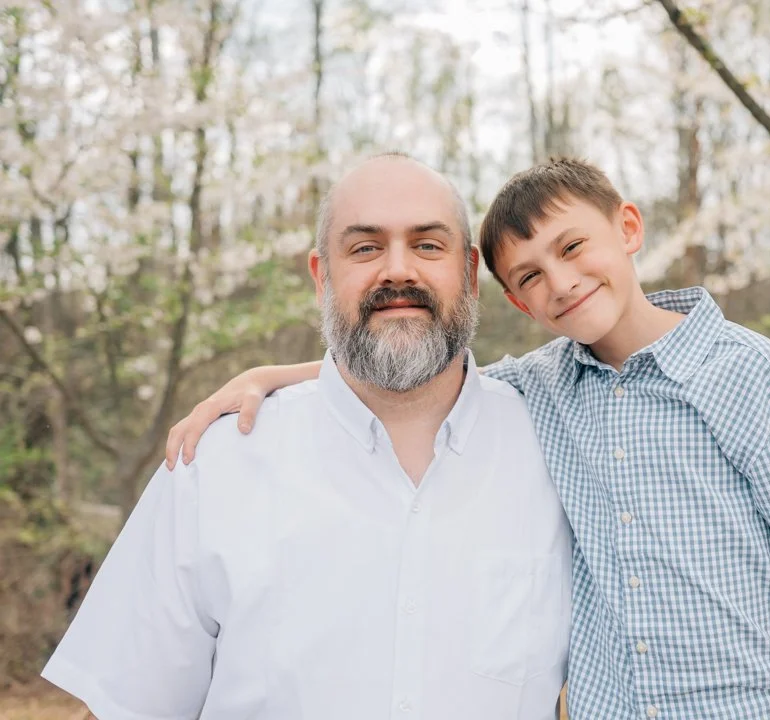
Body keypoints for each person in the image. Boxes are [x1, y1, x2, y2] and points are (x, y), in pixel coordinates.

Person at [165, 158, 770, 719]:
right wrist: (274, 374)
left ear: (628, 228)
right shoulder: (539, 388)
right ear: (513, 300)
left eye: (574, 247)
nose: (563, 282)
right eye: (531, 276)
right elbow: (416, 369)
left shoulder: (748, 372)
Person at [41, 154, 574, 720]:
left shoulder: (560, 449)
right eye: (365, 247)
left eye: (427, 245)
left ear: (469, 273)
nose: (398, 271)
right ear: (322, 276)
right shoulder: (214, 465)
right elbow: (126, 706)